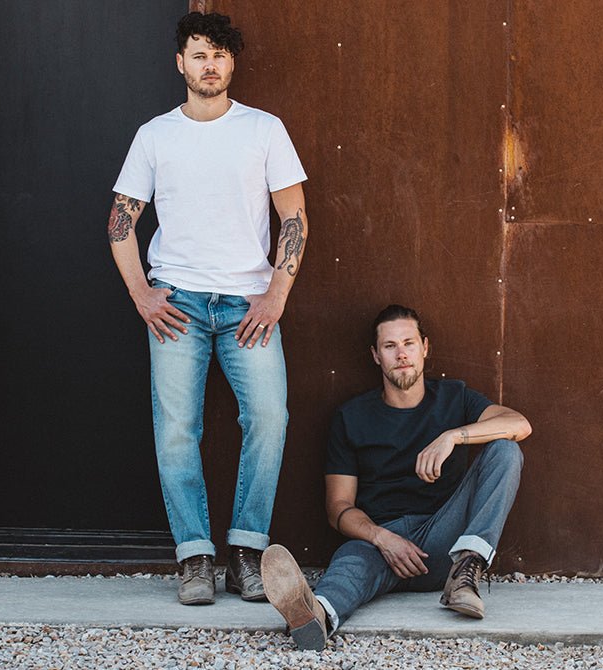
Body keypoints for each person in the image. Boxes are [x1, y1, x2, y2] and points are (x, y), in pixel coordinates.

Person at [108, 11, 308, 606]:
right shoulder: (155, 136)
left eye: (219, 54)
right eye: (199, 55)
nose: (210, 65)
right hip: (178, 304)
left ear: (232, 63)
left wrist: (276, 295)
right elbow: (120, 223)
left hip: (249, 304)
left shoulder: (264, 129)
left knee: (269, 419)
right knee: (177, 430)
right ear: (181, 64)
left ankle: (246, 553)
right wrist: (142, 294)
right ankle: (194, 557)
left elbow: (293, 218)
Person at [261, 305, 531, 650]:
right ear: (376, 356)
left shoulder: (455, 397)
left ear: (425, 348)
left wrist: (453, 436)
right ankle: (315, 616)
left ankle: (466, 573)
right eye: (390, 346)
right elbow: (338, 507)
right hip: (380, 544)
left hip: (443, 541)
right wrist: (382, 538)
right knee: (349, 563)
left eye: (409, 343)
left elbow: (519, 424)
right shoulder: (351, 417)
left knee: (505, 450)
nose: (401, 354)